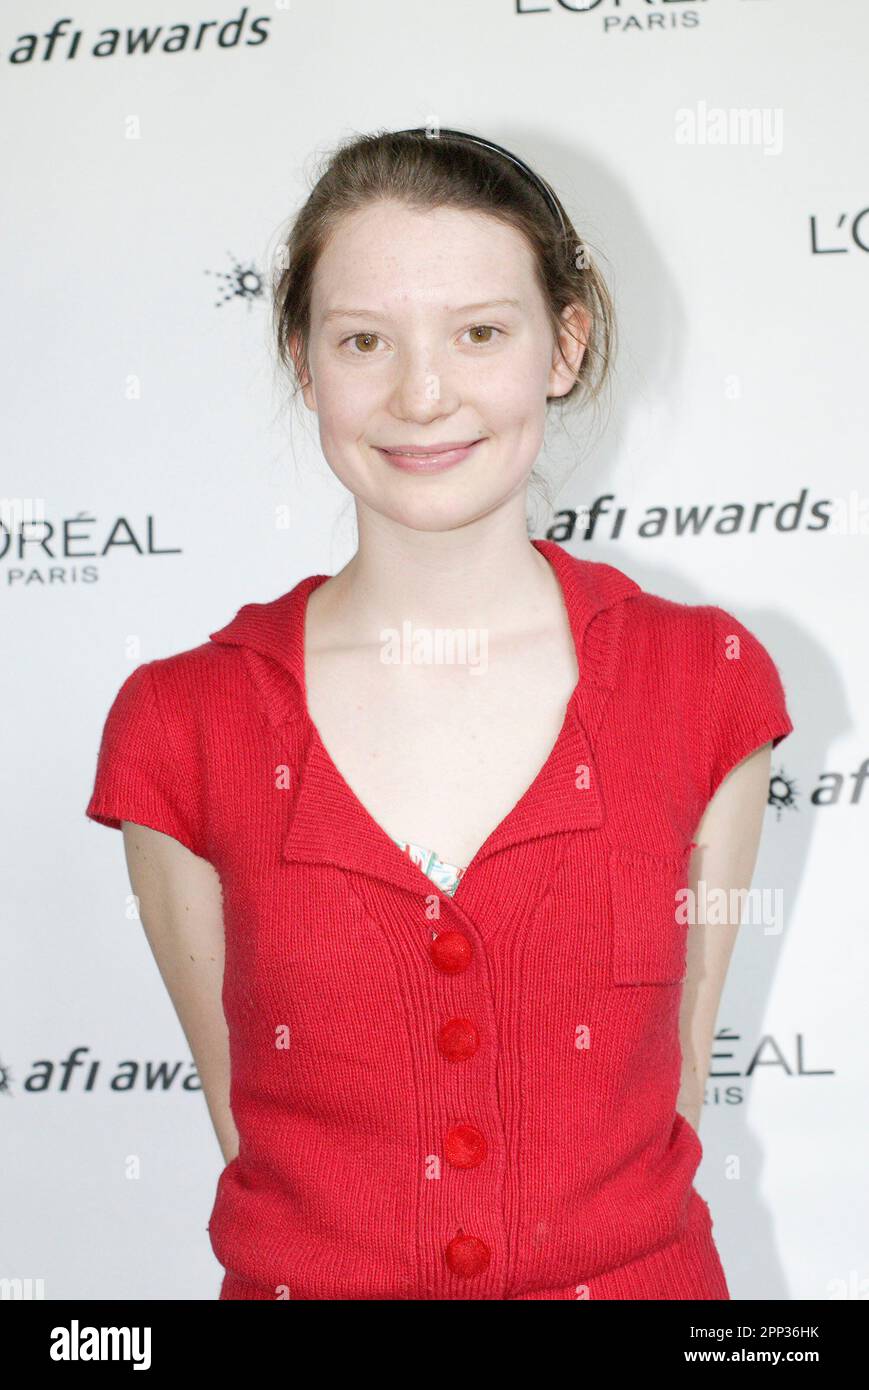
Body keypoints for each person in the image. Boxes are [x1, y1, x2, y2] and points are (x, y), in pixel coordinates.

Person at [85, 127, 794, 1300]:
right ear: (306, 365)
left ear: (561, 347)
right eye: (364, 340)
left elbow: (671, 1086)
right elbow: (245, 1122)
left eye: (478, 332)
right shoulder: (183, 725)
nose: (422, 393)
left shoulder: (704, 684)